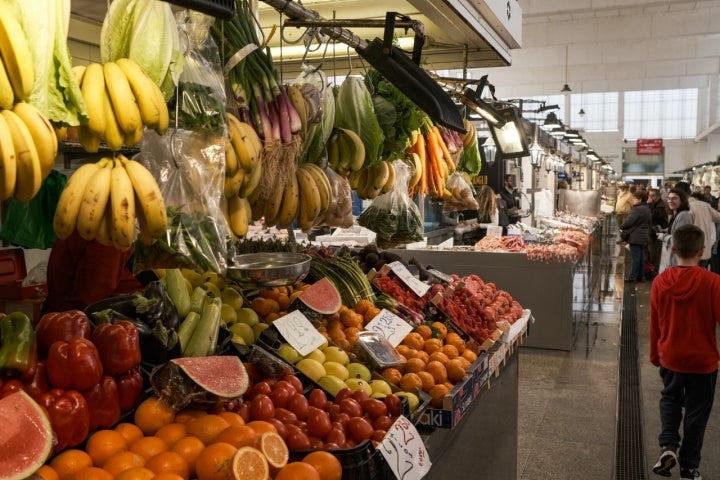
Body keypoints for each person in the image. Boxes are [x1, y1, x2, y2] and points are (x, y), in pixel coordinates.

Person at [650, 224, 720, 480]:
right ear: (702, 251)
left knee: (670, 400)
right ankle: (689, 468)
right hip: (703, 361)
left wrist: (655, 355)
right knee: (697, 412)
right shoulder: (713, 282)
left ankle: (668, 446)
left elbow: (655, 323)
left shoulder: (660, 282)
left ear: (673, 248)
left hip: (670, 355)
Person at [42, 231, 145, 314]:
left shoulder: (80, 226)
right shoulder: (107, 236)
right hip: (73, 325)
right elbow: (88, 302)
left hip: (60, 317)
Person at [675, 181, 720, 269]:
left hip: (690, 253)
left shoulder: (686, 207)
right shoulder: (705, 205)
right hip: (705, 251)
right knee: (701, 278)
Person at [658, 188, 694, 273]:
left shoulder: (683, 215)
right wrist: (667, 230)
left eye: (675, 198)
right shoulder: (677, 214)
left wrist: (663, 237)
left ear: (682, 200)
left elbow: (680, 240)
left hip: (677, 262)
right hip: (674, 260)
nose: (670, 201)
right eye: (669, 198)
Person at [620, 190, 651, 282]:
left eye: (634, 199)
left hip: (636, 236)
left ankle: (633, 276)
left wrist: (622, 226)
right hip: (643, 235)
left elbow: (629, 222)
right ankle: (641, 276)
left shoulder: (637, 209)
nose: (633, 200)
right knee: (641, 256)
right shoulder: (646, 208)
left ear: (640, 199)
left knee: (636, 257)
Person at [646, 188, 669, 277]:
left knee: (655, 253)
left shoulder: (661, 206)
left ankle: (654, 273)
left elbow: (651, 216)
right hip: (651, 231)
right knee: (651, 252)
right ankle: (651, 270)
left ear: (658, 196)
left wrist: (649, 204)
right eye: (649, 195)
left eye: (653, 196)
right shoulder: (655, 204)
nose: (651, 197)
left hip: (657, 232)